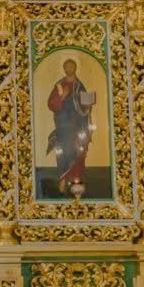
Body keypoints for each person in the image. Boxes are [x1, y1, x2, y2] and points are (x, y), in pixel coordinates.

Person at [45, 58, 94, 193]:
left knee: (77, 150)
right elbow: (51, 104)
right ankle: (63, 179)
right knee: (63, 150)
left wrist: (88, 104)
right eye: (67, 67)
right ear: (64, 68)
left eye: (72, 66)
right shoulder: (59, 85)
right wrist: (62, 96)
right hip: (63, 125)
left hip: (77, 124)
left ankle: (76, 181)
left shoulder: (79, 86)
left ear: (75, 68)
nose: (69, 69)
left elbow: (85, 108)